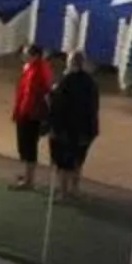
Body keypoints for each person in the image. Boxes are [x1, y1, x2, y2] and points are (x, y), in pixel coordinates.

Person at [48, 49, 101, 202]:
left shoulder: (64, 82)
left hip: (66, 131)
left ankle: (63, 193)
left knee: (63, 163)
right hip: (85, 131)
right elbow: (94, 107)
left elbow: (57, 107)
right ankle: (74, 190)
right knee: (78, 161)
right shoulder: (91, 83)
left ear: (70, 63)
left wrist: (53, 128)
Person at [8, 45, 56, 190]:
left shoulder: (39, 71)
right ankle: (27, 176)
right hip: (24, 112)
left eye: (26, 53)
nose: (23, 56)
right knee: (24, 146)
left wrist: (46, 117)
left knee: (29, 147)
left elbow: (42, 94)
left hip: (32, 115)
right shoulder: (30, 68)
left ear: (35, 55)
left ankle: (29, 180)